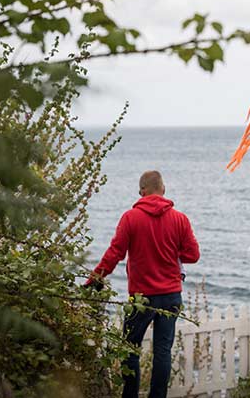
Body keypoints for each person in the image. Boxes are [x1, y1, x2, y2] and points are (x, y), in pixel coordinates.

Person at [84, 170, 200, 398]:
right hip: (171, 296)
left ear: (142, 192)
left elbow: (115, 253)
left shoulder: (130, 218)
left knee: (130, 350)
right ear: (163, 190)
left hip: (141, 299)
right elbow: (193, 255)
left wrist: (95, 279)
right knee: (163, 352)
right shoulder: (180, 219)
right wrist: (170, 251)